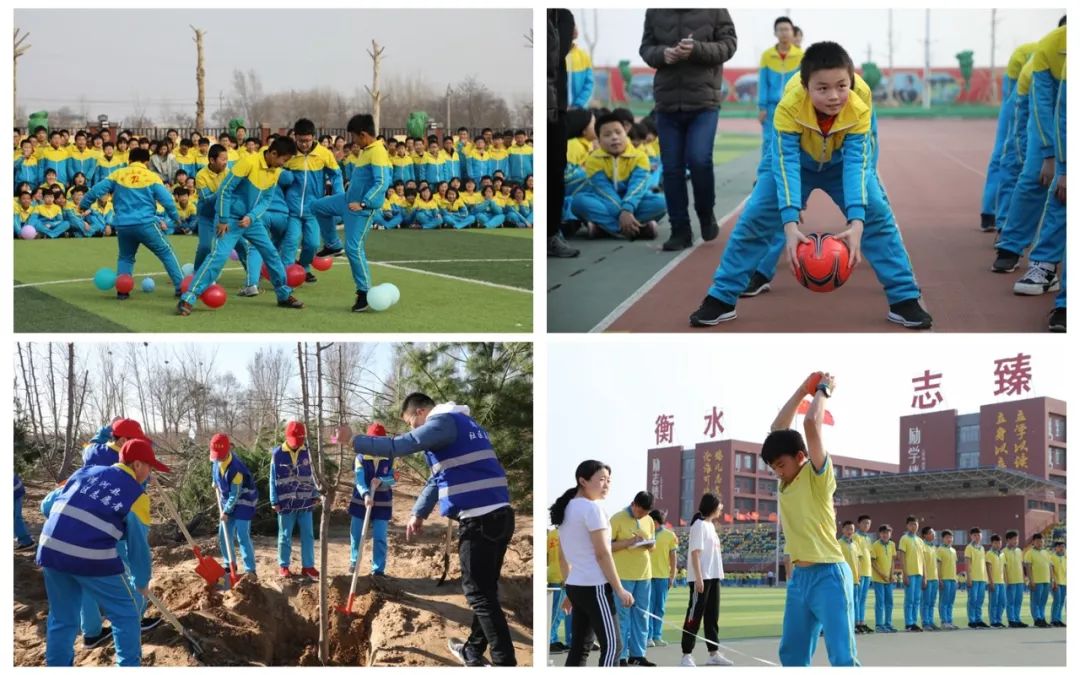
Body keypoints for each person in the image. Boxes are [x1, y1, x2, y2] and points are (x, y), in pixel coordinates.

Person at [690, 41, 932, 330]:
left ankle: (904, 298)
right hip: (797, 161)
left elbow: (857, 162)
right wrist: (790, 221)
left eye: (842, 86)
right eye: (823, 89)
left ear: (852, 80)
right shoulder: (788, 106)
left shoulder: (860, 101)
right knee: (755, 217)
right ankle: (722, 298)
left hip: (841, 161)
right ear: (806, 86)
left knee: (877, 213)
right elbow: (785, 161)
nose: (834, 96)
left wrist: (857, 220)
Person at [351, 393, 517, 667]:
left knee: (478, 594)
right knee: (485, 591)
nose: (415, 429)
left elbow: (400, 445)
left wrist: (354, 440)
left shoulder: (443, 422)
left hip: (481, 520)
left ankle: (504, 664)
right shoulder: (465, 424)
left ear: (420, 412)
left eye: (412, 422)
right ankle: (473, 651)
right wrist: (418, 512)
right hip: (500, 516)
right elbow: (438, 477)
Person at [36, 438, 169, 666]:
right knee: (126, 613)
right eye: (149, 467)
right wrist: (142, 581)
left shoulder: (86, 472)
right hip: (89, 556)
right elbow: (138, 547)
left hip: (50, 549)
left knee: (62, 618)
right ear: (137, 464)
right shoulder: (137, 496)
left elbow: (46, 506)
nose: (150, 473)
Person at [763, 372, 858, 666]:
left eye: (781, 465)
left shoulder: (817, 475)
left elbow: (809, 425)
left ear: (801, 456)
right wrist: (801, 389)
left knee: (842, 656)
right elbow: (778, 428)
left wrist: (822, 391)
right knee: (791, 655)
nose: (777, 472)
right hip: (800, 579)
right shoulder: (785, 480)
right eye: (773, 468)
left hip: (829, 575)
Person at [639, 9, 737, 251]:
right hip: (667, 104)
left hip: (704, 102)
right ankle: (679, 229)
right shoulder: (654, 11)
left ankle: (705, 213)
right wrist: (664, 54)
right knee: (671, 169)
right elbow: (646, 48)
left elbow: (729, 45)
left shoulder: (715, 10)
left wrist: (697, 49)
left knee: (699, 159)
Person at [178, 136, 303, 315]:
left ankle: (283, 294)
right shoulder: (247, 162)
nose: (283, 164)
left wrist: (252, 217)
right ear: (274, 153)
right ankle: (188, 297)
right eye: (284, 160)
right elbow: (225, 190)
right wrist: (222, 219)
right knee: (218, 257)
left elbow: (266, 199)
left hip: (251, 221)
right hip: (229, 220)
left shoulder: (275, 171)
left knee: (271, 253)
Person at [550, 460, 632, 667]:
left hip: (577, 586)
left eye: (609, 480)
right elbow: (603, 554)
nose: (606, 485)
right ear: (583, 481)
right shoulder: (592, 510)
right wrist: (620, 589)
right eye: (601, 479)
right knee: (613, 646)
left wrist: (569, 589)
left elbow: (563, 556)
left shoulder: (566, 508)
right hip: (594, 587)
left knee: (580, 647)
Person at [311, 114, 391, 313]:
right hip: (347, 201)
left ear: (363, 135)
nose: (352, 142)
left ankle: (364, 292)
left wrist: (364, 203)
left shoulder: (378, 152)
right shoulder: (367, 150)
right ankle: (332, 244)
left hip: (361, 210)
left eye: (354, 137)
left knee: (354, 249)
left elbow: (381, 183)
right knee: (317, 206)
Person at [80, 148, 185, 298]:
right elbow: (167, 200)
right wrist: (175, 217)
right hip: (146, 224)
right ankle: (181, 287)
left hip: (123, 225)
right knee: (166, 252)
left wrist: (84, 204)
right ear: (146, 162)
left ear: (129, 160)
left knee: (126, 257)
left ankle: (123, 291)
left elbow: (96, 189)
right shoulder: (152, 177)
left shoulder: (118, 174)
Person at [571, 113, 666, 241]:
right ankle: (635, 230)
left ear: (625, 133)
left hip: (633, 204)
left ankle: (604, 229)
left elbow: (637, 188)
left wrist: (627, 209)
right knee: (578, 202)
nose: (614, 137)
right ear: (598, 140)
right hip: (605, 203)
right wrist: (623, 214)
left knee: (662, 203)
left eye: (618, 132)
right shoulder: (593, 159)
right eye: (607, 135)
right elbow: (604, 191)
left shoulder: (640, 157)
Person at [980, 40, 1038, 232]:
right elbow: (1012, 96)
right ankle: (994, 215)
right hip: (1020, 92)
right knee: (1007, 153)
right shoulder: (1029, 53)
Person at [282, 118, 345, 280]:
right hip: (292, 208)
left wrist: (338, 196)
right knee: (291, 241)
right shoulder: (288, 153)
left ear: (313, 137)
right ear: (295, 137)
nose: (304, 144)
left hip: (314, 208)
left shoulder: (324, 154)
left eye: (308, 141)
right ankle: (287, 274)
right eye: (301, 141)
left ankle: (304, 266)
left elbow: (336, 174)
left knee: (313, 244)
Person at [680, 494, 733, 667]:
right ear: (712, 506)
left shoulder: (710, 525)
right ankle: (686, 655)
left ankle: (713, 653)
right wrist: (698, 578)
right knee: (694, 615)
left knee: (712, 616)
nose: (722, 507)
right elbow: (695, 553)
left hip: (714, 576)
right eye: (720, 505)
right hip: (701, 578)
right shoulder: (699, 525)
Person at [608, 491, 656, 666]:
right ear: (634, 504)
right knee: (622, 616)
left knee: (642, 616)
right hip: (622, 575)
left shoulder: (649, 520)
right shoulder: (617, 518)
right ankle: (620, 656)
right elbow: (607, 546)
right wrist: (628, 542)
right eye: (640, 512)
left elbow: (652, 547)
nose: (643, 515)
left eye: (646, 513)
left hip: (644, 574)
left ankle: (638, 654)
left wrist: (650, 543)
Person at [547, 11, 581, 258]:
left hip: (555, 106)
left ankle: (551, 233)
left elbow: (556, 54)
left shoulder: (561, 15)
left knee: (555, 170)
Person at [269, 420, 319, 580]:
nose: (296, 445)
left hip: (306, 503)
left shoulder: (308, 453)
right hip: (285, 504)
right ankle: (284, 566)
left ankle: (308, 567)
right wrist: (274, 500)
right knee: (285, 536)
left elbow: (315, 476)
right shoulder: (277, 454)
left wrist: (316, 495)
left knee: (308, 535)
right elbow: (272, 478)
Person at [757, 17, 804, 177]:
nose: (784, 33)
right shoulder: (767, 55)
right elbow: (763, 83)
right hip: (771, 107)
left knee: (792, 142)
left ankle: (790, 175)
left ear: (793, 32)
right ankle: (764, 176)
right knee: (769, 141)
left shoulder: (801, 56)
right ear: (775, 33)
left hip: (794, 107)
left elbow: (805, 83)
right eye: (781, 29)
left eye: (787, 29)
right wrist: (762, 106)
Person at [210, 433, 258, 579]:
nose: (217, 458)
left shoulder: (236, 469)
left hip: (244, 501)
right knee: (223, 535)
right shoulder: (216, 459)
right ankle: (229, 564)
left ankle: (250, 569)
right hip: (227, 500)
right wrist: (215, 481)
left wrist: (225, 511)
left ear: (228, 451)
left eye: (220, 456)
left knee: (242, 535)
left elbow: (235, 494)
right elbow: (214, 469)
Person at [349, 423, 395, 576]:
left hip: (383, 502)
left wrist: (382, 481)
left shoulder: (390, 457)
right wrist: (366, 494)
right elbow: (359, 479)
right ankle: (355, 562)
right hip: (360, 502)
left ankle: (378, 570)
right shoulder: (360, 457)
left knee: (380, 537)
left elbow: (393, 478)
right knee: (356, 535)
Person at [647, 509, 677, 648]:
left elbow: (673, 557)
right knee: (648, 608)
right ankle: (648, 637)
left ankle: (657, 636)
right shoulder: (646, 535)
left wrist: (672, 576)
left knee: (660, 608)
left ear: (656, 521)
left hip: (663, 577)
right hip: (646, 576)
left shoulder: (669, 535)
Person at [897, 515, 924, 632]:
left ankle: (914, 621)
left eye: (916, 524)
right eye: (911, 524)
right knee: (909, 599)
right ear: (907, 526)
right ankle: (909, 623)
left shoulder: (920, 540)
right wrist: (905, 573)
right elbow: (901, 556)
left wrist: (925, 577)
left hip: (919, 573)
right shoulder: (904, 539)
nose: (914, 526)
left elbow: (922, 559)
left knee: (917, 599)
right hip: (910, 573)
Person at [547, 526, 572, 654]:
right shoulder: (569, 533)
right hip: (562, 577)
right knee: (557, 612)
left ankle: (554, 639)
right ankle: (549, 641)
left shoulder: (552, 533)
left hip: (553, 574)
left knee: (556, 611)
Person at [870, 525, 897, 633]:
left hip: (889, 580)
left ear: (891, 534)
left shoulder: (892, 544)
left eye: (887, 533)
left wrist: (891, 575)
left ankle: (888, 623)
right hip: (878, 579)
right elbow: (873, 562)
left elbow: (892, 561)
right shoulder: (875, 545)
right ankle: (879, 625)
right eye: (883, 533)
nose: (885, 535)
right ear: (879, 534)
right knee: (880, 602)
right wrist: (882, 574)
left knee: (889, 602)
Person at [1024, 532, 1052, 627]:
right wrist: (1031, 580)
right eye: (1037, 541)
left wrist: (1051, 580)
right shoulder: (1029, 553)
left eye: (1041, 541)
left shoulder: (1046, 553)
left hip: (1046, 581)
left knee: (1043, 601)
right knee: (1035, 601)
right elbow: (1028, 567)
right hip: (1036, 581)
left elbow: (1049, 567)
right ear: (1033, 542)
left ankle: (1042, 618)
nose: (1040, 543)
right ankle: (1037, 619)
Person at [852, 515, 874, 634]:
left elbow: (868, 555)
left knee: (863, 599)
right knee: (857, 599)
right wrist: (858, 572)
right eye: (864, 523)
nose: (867, 525)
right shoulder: (855, 537)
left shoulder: (868, 538)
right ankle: (856, 622)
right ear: (859, 524)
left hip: (868, 572)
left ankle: (861, 622)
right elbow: (857, 556)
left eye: (868, 523)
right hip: (859, 573)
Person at [964, 527, 990, 628]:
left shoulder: (982, 548)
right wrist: (969, 578)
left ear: (982, 536)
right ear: (971, 536)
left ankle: (979, 619)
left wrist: (986, 578)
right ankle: (972, 620)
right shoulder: (969, 548)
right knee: (972, 599)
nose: (977, 537)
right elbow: (967, 564)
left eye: (979, 535)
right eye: (974, 535)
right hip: (973, 578)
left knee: (980, 600)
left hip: (982, 578)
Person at [1003, 530, 1028, 627]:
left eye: (1017, 539)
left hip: (1020, 581)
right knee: (1010, 601)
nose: (1016, 541)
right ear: (1008, 540)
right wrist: (1006, 580)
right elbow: (1003, 567)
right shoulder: (1003, 552)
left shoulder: (1019, 551)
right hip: (1011, 581)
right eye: (1014, 539)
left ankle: (1017, 619)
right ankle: (1011, 620)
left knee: (1018, 601)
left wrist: (1023, 578)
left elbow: (1021, 565)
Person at [935, 530, 959, 630]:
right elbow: (938, 565)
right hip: (944, 579)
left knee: (950, 601)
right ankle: (944, 621)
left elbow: (954, 566)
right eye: (947, 537)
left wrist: (956, 578)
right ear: (943, 539)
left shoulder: (953, 550)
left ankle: (949, 620)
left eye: (951, 537)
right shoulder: (940, 549)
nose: (949, 539)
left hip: (953, 579)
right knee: (944, 601)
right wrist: (939, 578)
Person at [986, 534, 1007, 628]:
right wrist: (991, 582)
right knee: (993, 602)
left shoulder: (1002, 554)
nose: (998, 544)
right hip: (994, 582)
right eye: (996, 542)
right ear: (992, 543)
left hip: (1002, 582)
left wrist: (1005, 581)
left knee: (1002, 602)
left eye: (999, 542)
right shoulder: (989, 553)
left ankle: (999, 620)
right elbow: (988, 568)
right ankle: (993, 621)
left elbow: (1003, 568)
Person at [14, 473, 34, 550]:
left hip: (14, 490)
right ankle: (25, 540)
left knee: (15, 518)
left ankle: (26, 542)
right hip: (17, 488)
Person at [1050, 540, 1066, 627]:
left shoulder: (1066, 557)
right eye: (1059, 547)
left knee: (1062, 601)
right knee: (1057, 600)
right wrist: (1053, 581)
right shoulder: (1052, 557)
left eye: (1063, 547)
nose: (1061, 548)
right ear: (1055, 548)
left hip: (1065, 583)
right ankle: (1054, 620)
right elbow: (1051, 570)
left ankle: (1058, 619)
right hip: (1056, 583)